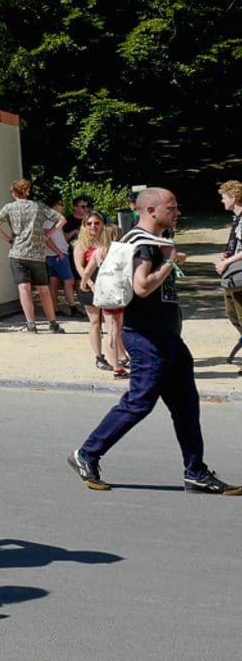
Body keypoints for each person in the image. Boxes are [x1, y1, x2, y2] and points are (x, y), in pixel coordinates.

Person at [70, 187, 241, 494]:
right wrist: (169, 262)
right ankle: (86, 453)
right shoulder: (144, 244)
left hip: (168, 338)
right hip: (146, 338)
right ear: (150, 211)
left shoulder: (153, 243)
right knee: (139, 402)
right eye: (171, 208)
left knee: (187, 407)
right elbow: (142, 286)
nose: (177, 213)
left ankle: (196, 472)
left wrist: (170, 259)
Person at [0, 179, 63, 333]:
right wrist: (49, 234)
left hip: (17, 252)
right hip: (37, 253)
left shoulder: (9, 208)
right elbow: (61, 219)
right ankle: (53, 322)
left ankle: (31, 324)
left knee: (24, 288)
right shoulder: (39, 206)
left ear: (14, 193)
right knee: (43, 289)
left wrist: (7, 238)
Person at [73, 211, 127, 376]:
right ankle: (99, 356)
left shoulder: (107, 240)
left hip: (108, 285)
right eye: (89, 224)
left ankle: (120, 356)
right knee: (95, 321)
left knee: (114, 323)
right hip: (90, 285)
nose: (93, 226)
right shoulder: (82, 244)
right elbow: (80, 268)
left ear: (102, 224)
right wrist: (90, 284)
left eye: (96, 223)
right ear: (84, 226)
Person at [215, 182, 242, 369]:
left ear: (234, 198)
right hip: (234, 277)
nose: (222, 200)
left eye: (225, 196)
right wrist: (228, 256)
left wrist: (227, 262)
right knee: (233, 315)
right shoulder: (236, 219)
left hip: (240, 277)